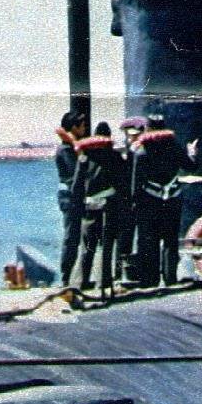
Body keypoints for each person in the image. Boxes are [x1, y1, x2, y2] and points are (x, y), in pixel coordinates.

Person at [131, 113, 198, 286]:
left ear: (147, 128)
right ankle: (170, 278)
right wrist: (192, 153)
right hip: (172, 199)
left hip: (149, 201)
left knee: (149, 241)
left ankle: (150, 281)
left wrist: (134, 204)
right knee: (170, 240)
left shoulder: (141, 151)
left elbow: (136, 183)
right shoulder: (174, 146)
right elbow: (191, 166)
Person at [69, 122, 124, 294]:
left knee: (87, 247)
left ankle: (80, 283)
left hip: (89, 206)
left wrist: (77, 206)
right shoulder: (115, 156)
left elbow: (76, 185)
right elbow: (122, 184)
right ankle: (103, 283)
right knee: (106, 246)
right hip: (109, 206)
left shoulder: (85, 157)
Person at [54, 109, 87, 285]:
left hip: (75, 197)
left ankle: (77, 276)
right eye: (82, 125)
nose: (85, 128)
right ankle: (66, 277)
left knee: (79, 236)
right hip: (70, 197)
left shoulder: (72, 147)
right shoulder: (66, 150)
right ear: (74, 127)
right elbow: (76, 172)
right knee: (72, 237)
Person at [116, 116, 145, 283]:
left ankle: (130, 272)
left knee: (135, 238)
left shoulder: (137, 152)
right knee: (125, 239)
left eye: (132, 135)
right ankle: (121, 273)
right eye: (129, 135)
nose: (129, 139)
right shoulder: (128, 153)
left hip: (136, 200)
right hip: (128, 201)